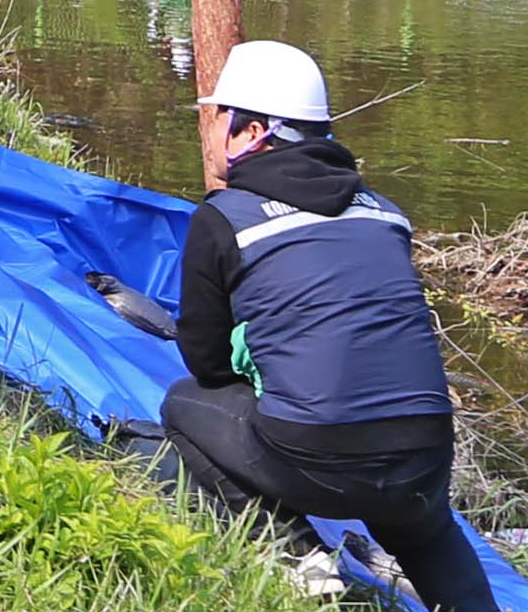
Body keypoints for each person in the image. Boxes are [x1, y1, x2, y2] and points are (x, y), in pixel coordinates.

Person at [161, 44, 501, 612]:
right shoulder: (387, 213)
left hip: (313, 459)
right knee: (426, 528)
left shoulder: (225, 219)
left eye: (218, 117)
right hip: (425, 449)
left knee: (184, 403)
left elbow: (207, 363)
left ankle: (300, 557)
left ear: (252, 133)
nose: (212, 129)